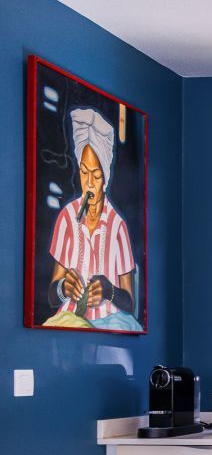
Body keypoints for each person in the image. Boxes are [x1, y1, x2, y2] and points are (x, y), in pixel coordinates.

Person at [45, 107, 140, 330]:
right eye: (84, 171)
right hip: (71, 321)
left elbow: (130, 303)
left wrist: (110, 291)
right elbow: (51, 296)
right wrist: (63, 288)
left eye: (96, 175)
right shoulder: (67, 217)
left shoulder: (118, 226)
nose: (89, 182)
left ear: (105, 178)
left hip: (111, 322)